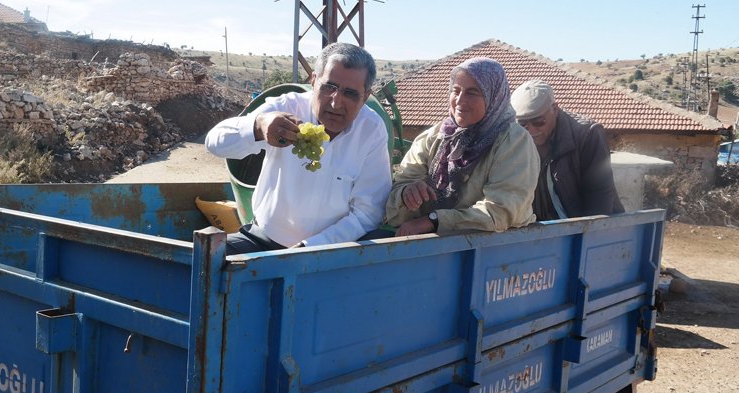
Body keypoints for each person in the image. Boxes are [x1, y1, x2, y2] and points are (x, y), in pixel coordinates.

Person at [206, 42, 392, 254]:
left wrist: (311, 247)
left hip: (330, 252)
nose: (336, 103)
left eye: (350, 94)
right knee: (206, 261)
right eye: (329, 87)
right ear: (313, 81)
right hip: (263, 241)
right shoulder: (286, 107)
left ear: (365, 97)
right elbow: (214, 142)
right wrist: (258, 127)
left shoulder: (372, 130)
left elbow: (369, 212)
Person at [386, 57, 539, 236]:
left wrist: (434, 220)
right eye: (456, 90)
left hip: (493, 252)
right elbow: (396, 191)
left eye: (472, 93)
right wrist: (406, 194)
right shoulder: (437, 136)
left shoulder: (514, 141)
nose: (460, 100)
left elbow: (501, 211)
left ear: (493, 96)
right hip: (431, 250)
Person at [510, 79, 624, 220]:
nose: (532, 130)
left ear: (555, 109)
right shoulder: (514, 138)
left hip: (586, 229)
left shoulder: (587, 135)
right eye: (523, 124)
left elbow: (599, 195)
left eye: (538, 121)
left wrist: (586, 238)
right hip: (542, 232)